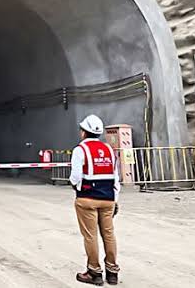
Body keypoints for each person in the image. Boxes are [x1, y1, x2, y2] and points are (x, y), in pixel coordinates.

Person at [69, 114, 121, 286]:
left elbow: (75, 177)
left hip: (87, 200)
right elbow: (115, 178)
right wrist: (115, 200)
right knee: (109, 234)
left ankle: (94, 272)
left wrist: (76, 187)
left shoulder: (80, 150)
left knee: (90, 236)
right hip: (108, 199)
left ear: (84, 132)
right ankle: (112, 272)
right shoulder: (109, 150)